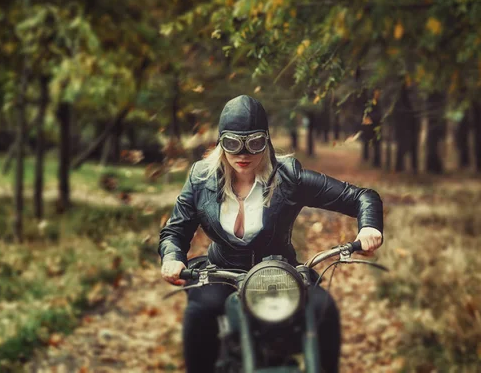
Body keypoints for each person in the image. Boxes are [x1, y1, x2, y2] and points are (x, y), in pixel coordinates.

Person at [159, 95, 384, 373]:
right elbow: (175, 230)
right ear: (221, 143)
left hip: (281, 273)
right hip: (221, 273)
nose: (243, 154)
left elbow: (361, 196)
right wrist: (172, 256)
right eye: (232, 143)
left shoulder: (289, 177)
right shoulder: (200, 177)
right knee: (199, 313)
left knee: (323, 311)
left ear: (266, 141)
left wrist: (369, 226)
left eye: (253, 143)